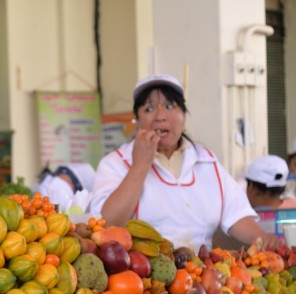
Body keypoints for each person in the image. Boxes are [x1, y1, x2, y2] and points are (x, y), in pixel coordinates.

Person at [89, 74, 282, 250]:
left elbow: (235, 213)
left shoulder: (206, 160)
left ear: (184, 117)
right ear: (137, 120)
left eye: (170, 106)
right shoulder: (115, 163)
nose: (160, 116)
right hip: (143, 279)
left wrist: (261, 238)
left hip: (202, 274)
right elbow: (107, 225)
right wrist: (140, 165)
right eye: (149, 109)